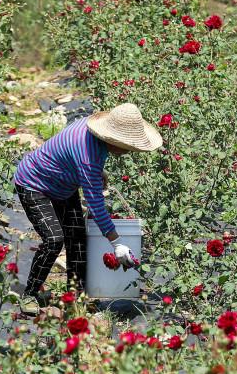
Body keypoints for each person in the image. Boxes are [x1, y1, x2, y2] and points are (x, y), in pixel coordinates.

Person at [12, 103, 163, 314]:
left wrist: (95, 173)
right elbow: (96, 205)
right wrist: (117, 244)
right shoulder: (89, 155)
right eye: (127, 145)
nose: (129, 151)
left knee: (78, 240)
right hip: (34, 184)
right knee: (55, 239)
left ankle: (75, 296)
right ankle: (30, 294)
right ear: (113, 139)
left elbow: (74, 158)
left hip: (63, 185)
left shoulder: (93, 134)